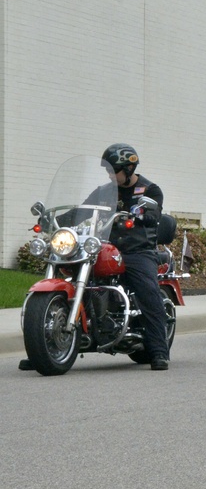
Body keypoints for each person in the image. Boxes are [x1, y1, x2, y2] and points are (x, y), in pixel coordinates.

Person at [22, 143, 171, 372]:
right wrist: (54, 220)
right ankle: (42, 350)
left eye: (113, 171)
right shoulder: (104, 191)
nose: (110, 175)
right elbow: (80, 211)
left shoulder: (150, 190)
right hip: (104, 246)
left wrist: (144, 214)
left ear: (129, 169)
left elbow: (153, 212)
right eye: (108, 171)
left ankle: (159, 350)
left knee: (148, 290)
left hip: (137, 251)